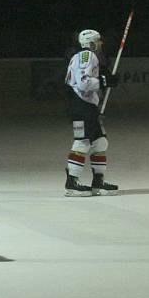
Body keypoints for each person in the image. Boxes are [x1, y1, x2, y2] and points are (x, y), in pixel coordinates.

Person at [64, 29, 119, 196]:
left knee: (100, 142)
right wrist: (103, 81)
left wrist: (104, 76)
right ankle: (72, 183)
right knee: (83, 141)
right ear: (91, 43)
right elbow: (83, 82)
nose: (101, 44)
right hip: (81, 105)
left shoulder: (88, 57)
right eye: (98, 41)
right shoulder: (86, 56)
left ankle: (98, 182)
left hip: (87, 105)